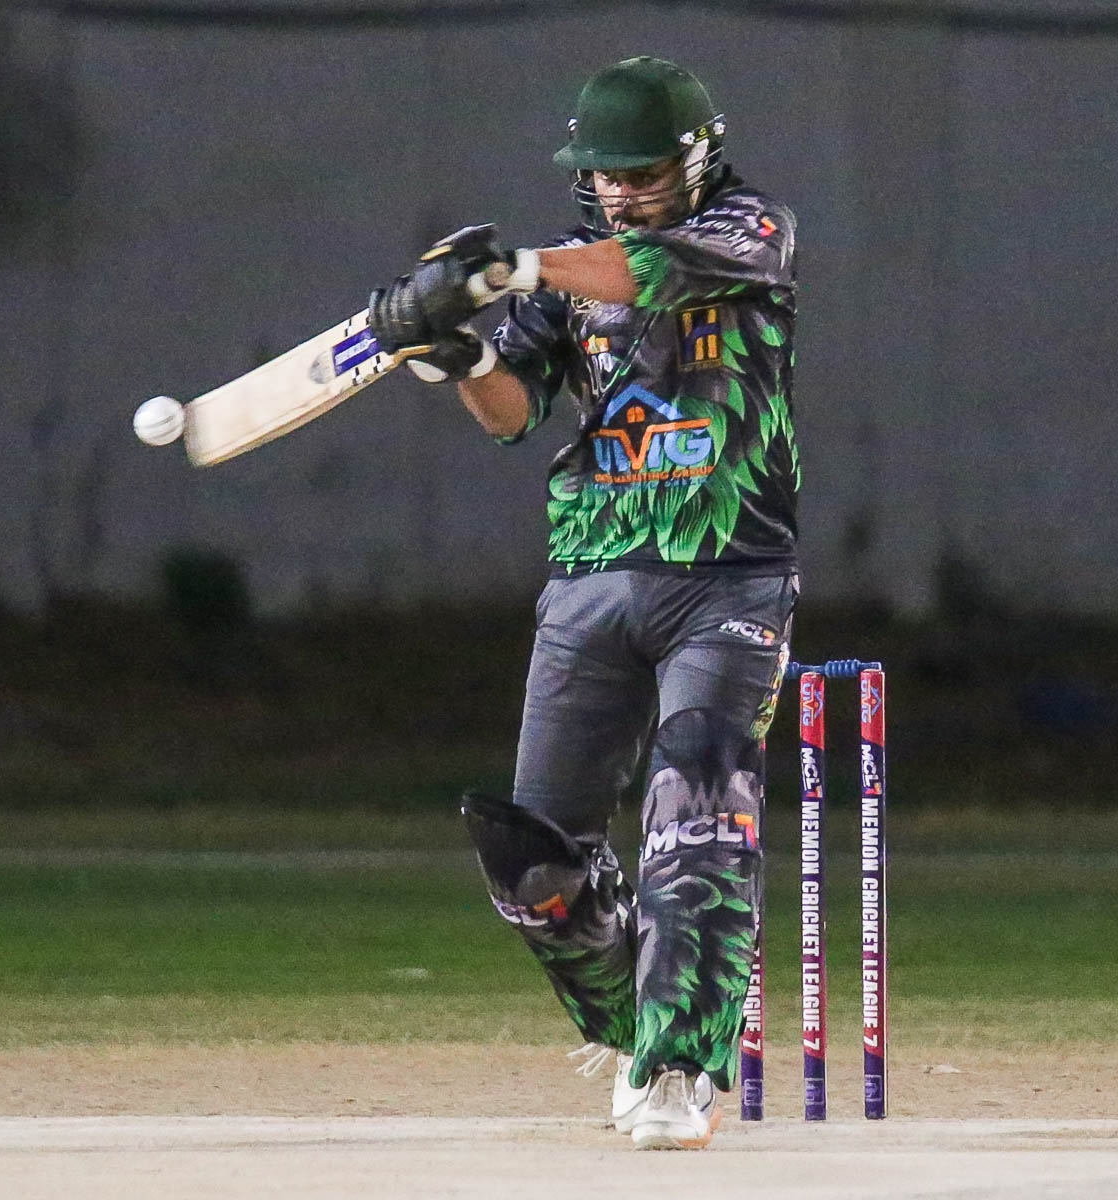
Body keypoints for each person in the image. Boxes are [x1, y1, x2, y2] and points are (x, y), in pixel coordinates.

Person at [368, 55, 799, 1151]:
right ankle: (633, 1028)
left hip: (726, 574)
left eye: (642, 172)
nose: (620, 191)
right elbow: (513, 414)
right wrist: (447, 352)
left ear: (696, 159)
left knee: (695, 810)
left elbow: (644, 273)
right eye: (605, 174)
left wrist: (504, 268)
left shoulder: (751, 230)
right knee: (534, 859)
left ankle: (679, 1069)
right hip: (590, 574)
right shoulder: (567, 273)